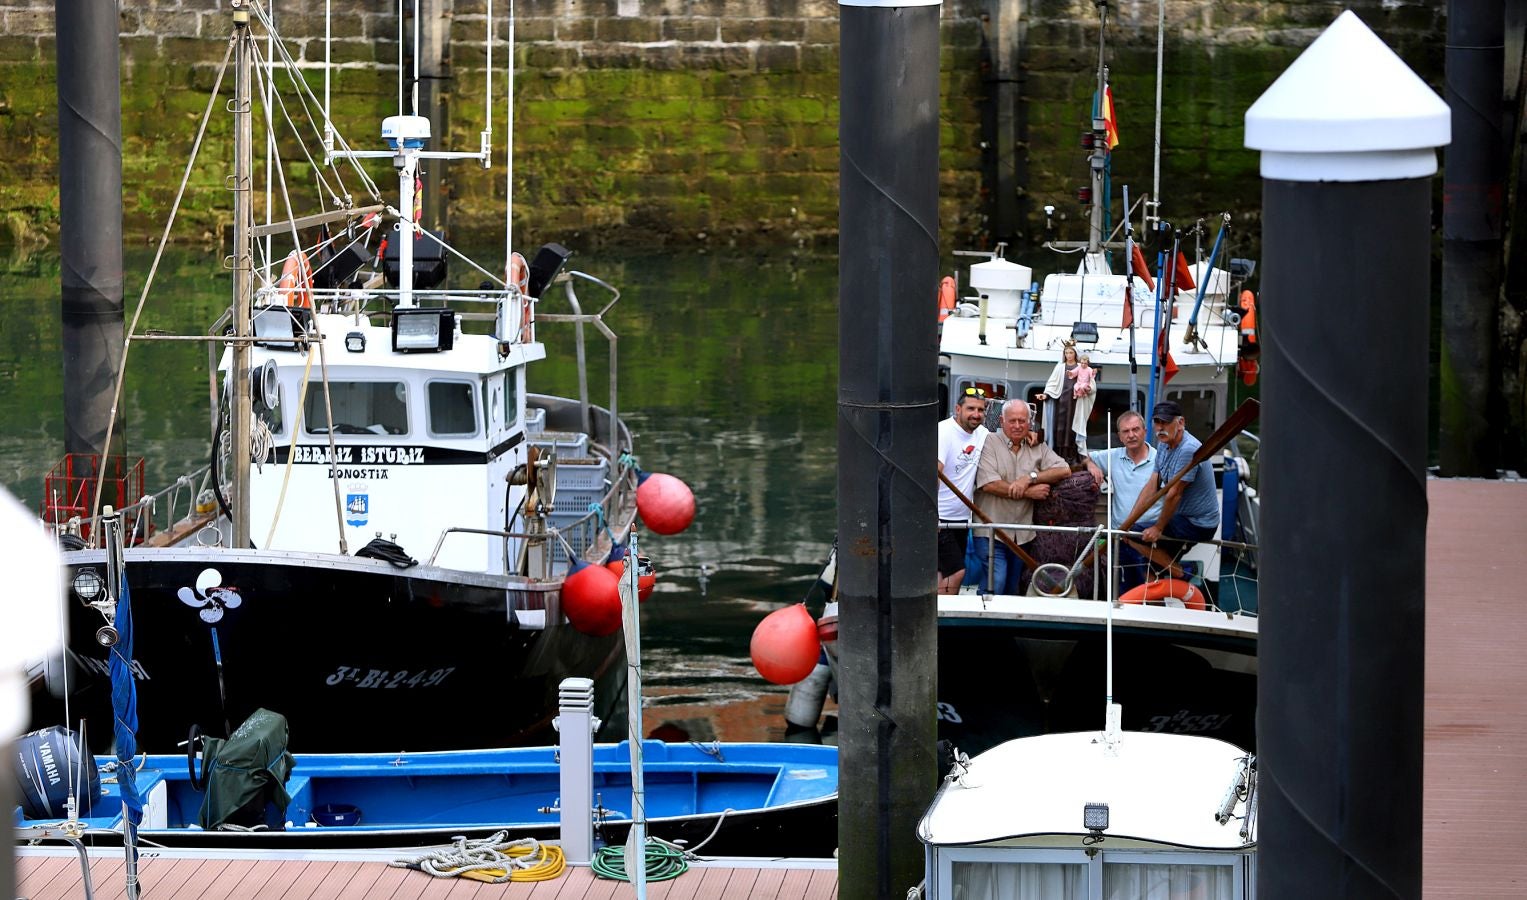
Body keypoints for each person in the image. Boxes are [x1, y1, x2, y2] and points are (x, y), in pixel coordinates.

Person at [973, 401, 1070, 594]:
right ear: (1002, 421)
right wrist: (1028, 492)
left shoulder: (1037, 446)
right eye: (1012, 421)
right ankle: (983, 614)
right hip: (991, 531)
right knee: (995, 582)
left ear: (1029, 422)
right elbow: (989, 484)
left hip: (1023, 534)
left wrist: (1030, 478)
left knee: (1014, 588)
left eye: (1022, 421)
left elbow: (1064, 469)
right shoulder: (989, 442)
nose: (1017, 426)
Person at [1125, 400, 1220, 555]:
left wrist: (1158, 528)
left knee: (1135, 535)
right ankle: (1168, 567)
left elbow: (1174, 494)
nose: (1160, 427)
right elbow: (1152, 485)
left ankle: (1177, 569)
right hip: (1180, 516)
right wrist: (1129, 521)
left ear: (1180, 423)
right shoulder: (1163, 444)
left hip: (1199, 523)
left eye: (1166, 422)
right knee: (1131, 534)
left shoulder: (1188, 449)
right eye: (1157, 422)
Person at [1085, 410, 1165, 591]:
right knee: (1121, 592)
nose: (1131, 435)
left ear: (1145, 432)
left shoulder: (1161, 459)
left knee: (1150, 592)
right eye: (1126, 431)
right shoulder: (1113, 456)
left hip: (1149, 538)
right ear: (1120, 437)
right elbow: (1084, 456)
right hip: (1120, 538)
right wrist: (1091, 465)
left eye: (1135, 429)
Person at [936, 387, 991, 594]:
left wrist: (1031, 434)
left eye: (980, 410)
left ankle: (937, 610)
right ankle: (944, 613)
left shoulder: (983, 433)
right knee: (956, 572)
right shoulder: (943, 432)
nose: (976, 414)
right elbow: (933, 475)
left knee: (942, 572)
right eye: (970, 409)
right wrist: (931, 515)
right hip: (940, 518)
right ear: (957, 409)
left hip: (961, 518)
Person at [1037, 343, 1099, 461]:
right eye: (1066, 353)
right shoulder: (1060, 367)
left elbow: (1091, 383)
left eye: (1071, 352)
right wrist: (1045, 395)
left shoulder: (1081, 367)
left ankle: (1072, 457)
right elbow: (1052, 385)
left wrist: (1089, 388)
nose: (1068, 355)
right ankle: (1058, 455)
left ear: (1075, 354)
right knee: (1059, 429)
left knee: (1072, 429)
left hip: (1075, 404)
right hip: (1060, 403)